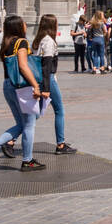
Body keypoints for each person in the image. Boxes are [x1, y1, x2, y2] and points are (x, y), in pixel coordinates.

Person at [0, 15, 47, 172]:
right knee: (29, 124)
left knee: (21, 124)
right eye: (23, 23)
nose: (25, 25)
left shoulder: (6, 44)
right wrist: (35, 85)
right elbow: (23, 66)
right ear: (19, 26)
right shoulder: (21, 42)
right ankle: (27, 160)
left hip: (8, 85)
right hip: (21, 87)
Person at [32, 14, 76, 154]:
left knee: (34, 114)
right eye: (56, 23)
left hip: (38, 78)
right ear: (52, 26)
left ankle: (10, 140)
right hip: (48, 80)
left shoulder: (37, 41)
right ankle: (60, 144)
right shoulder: (49, 41)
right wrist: (46, 88)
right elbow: (47, 65)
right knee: (59, 110)